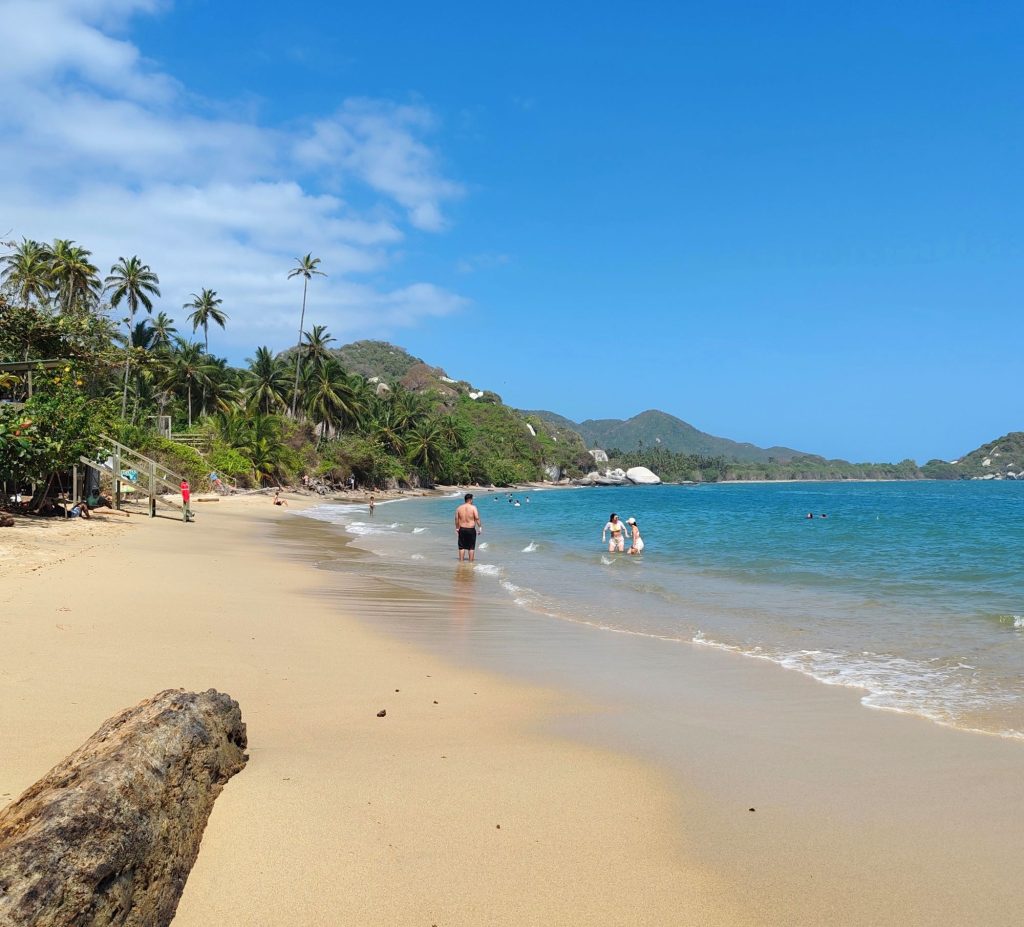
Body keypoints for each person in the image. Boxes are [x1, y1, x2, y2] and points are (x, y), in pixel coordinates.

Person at [455, 492, 483, 562]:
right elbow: (477, 518)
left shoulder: (459, 508)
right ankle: (470, 563)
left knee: (461, 547)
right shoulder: (473, 507)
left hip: (462, 529)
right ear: (470, 500)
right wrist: (480, 527)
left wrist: (457, 528)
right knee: (471, 547)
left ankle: (461, 562)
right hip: (471, 529)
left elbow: (456, 519)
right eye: (472, 499)